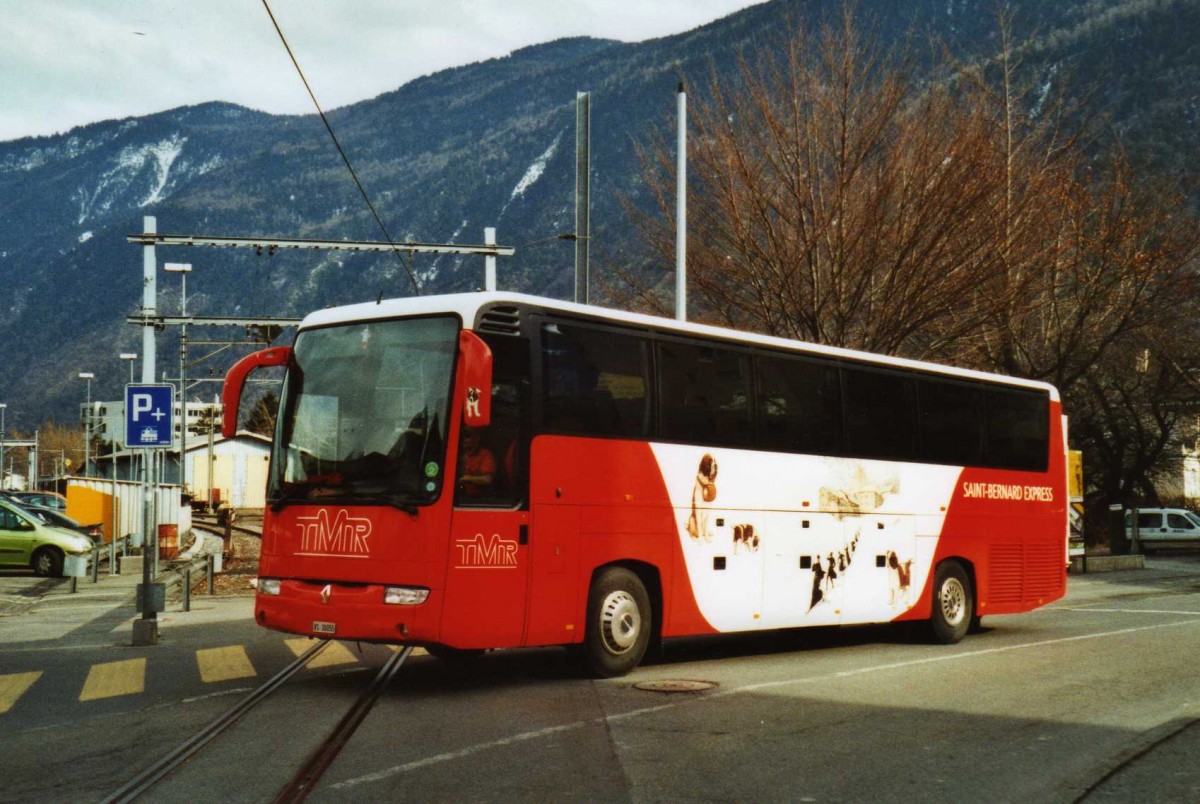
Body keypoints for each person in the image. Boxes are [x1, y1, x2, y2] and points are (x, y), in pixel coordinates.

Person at [457, 427, 496, 497]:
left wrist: (465, 478)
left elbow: (487, 479)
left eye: (467, 435)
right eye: (461, 435)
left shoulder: (485, 454)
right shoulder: (456, 454)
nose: (463, 439)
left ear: (477, 438)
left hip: (477, 498)